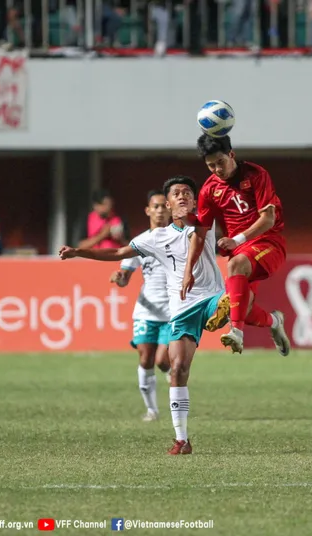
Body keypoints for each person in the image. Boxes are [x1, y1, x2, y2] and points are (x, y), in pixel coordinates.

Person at [59, 176, 228, 456]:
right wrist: (79, 252)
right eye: (176, 194)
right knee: (176, 370)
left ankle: (253, 322)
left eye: (188, 192)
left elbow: (216, 223)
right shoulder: (153, 239)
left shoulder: (205, 222)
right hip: (182, 309)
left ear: (195, 200)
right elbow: (118, 251)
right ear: (168, 202)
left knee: (235, 295)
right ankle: (182, 440)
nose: (182, 196)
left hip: (211, 297)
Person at [178, 134, 290, 356]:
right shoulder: (209, 190)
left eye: (220, 162)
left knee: (236, 266)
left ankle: (236, 333)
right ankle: (275, 322)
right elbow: (200, 233)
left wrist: (237, 240)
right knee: (242, 308)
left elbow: (268, 219)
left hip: (268, 242)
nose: (217, 169)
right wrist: (188, 269)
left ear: (232, 155)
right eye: (211, 166)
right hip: (241, 251)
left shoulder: (256, 175)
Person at [109, 190, 172, 422]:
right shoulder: (139, 242)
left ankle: (169, 371)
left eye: (164, 206)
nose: (160, 210)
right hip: (147, 311)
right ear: (148, 210)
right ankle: (152, 410)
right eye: (155, 206)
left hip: (173, 311)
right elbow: (125, 277)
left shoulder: (180, 239)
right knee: (145, 359)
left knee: (162, 360)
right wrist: (119, 278)